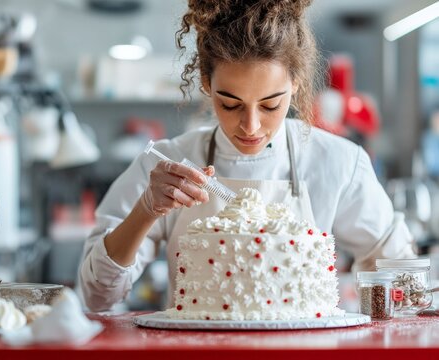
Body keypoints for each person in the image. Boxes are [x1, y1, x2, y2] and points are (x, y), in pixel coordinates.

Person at [79, 0, 416, 312]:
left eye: (271, 105)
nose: (251, 126)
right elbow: (97, 295)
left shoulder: (338, 162)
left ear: (296, 83)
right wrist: (145, 209)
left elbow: (399, 274)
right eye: (230, 104)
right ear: (206, 84)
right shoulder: (168, 163)